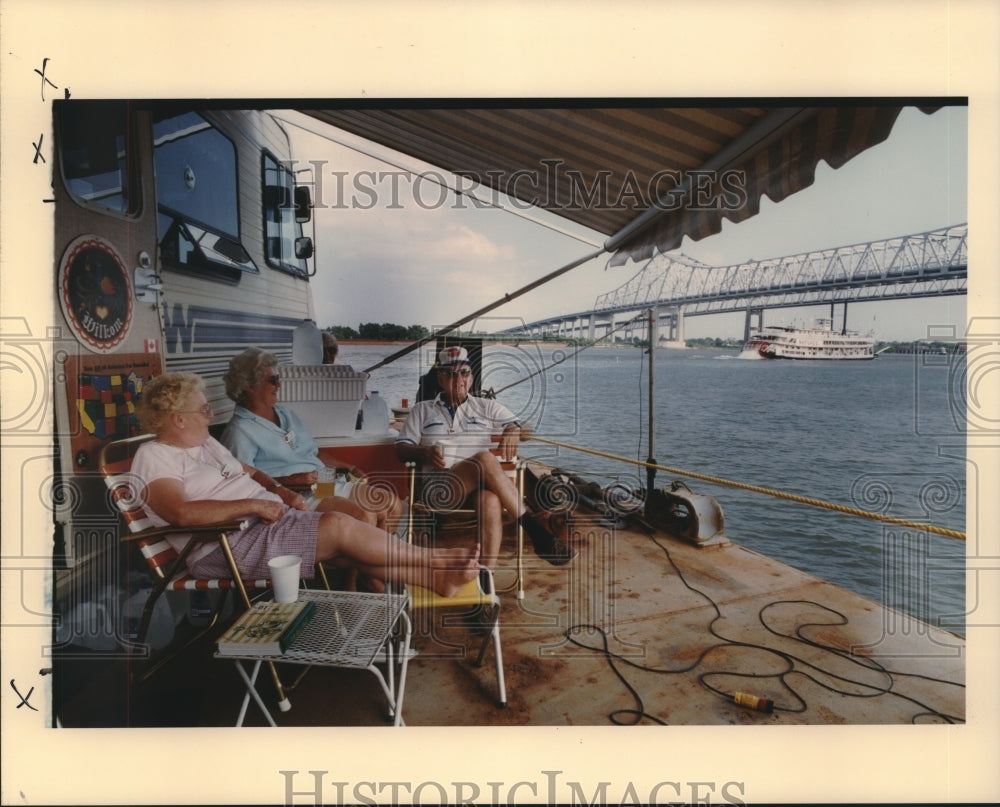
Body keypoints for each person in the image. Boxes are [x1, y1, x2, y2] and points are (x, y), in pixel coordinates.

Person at [131, 372, 479, 596]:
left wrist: (278, 492)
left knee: (361, 529)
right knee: (342, 525)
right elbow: (179, 512)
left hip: (273, 514)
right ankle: (438, 560)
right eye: (203, 410)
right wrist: (254, 504)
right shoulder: (155, 455)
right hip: (226, 542)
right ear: (178, 419)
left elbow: (250, 472)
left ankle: (436, 581)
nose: (210, 415)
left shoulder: (206, 443)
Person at [395, 346, 575, 568]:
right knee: (484, 459)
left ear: (471, 378)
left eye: (464, 373)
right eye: (451, 373)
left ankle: (484, 579)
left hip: (478, 489)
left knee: (490, 501)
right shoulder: (422, 410)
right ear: (440, 378)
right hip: (440, 489)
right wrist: (423, 453)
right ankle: (535, 531)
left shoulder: (486, 407)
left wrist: (515, 428)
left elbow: (528, 430)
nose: (458, 379)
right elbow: (401, 449)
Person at [220, 347, 403, 535]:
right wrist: (291, 481)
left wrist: (348, 467)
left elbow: (313, 452)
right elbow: (242, 485)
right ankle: (366, 560)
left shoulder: (285, 414)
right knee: (365, 515)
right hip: (295, 496)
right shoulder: (239, 431)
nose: (279, 386)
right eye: (273, 380)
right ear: (250, 386)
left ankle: (380, 560)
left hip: (324, 484)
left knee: (391, 504)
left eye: (278, 380)